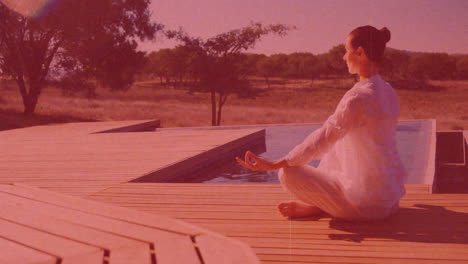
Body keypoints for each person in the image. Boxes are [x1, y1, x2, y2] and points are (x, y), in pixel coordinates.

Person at [236, 25, 408, 221]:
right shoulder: (388, 91)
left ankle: (320, 208)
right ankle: (321, 207)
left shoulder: (358, 97)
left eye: (347, 51)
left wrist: (276, 163)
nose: (344, 57)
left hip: (365, 208)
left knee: (288, 173)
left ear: (360, 52)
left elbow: (323, 139)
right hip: (389, 201)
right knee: (342, 141)